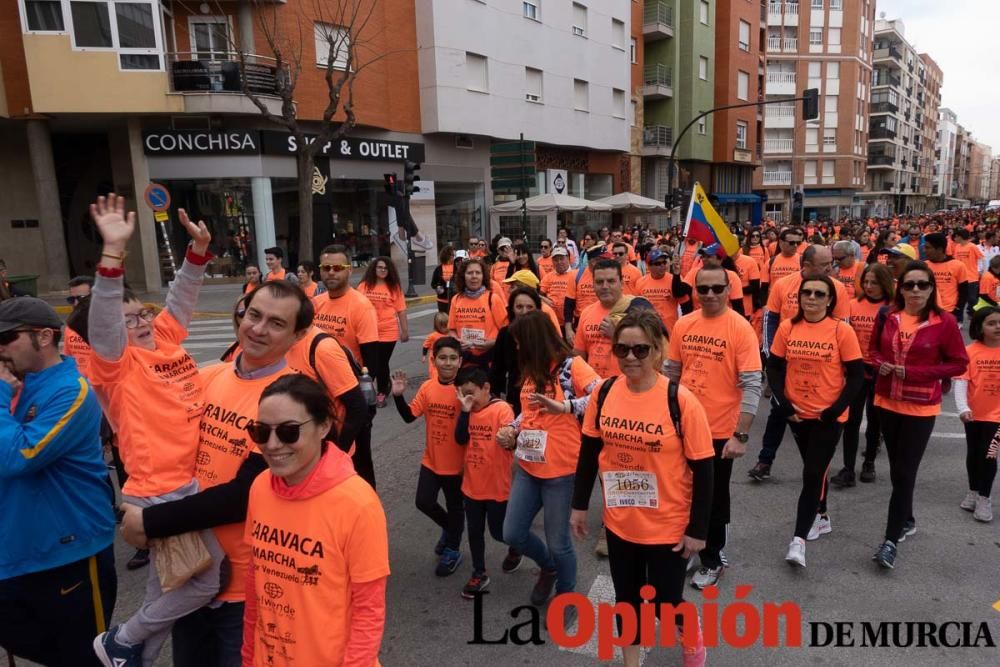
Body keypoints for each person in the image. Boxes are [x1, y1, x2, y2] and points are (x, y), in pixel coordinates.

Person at [118, 280, 313, 666]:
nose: (257, 329)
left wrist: (152, 520)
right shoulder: (209, 378)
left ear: (298, 335)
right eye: (253, 315)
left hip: (246, 588)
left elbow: (244, 494)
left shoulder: (291, 398)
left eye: (276, 323)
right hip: (189, 572)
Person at [85, 195, 225, 667]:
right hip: (161, 491)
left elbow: (181, 298)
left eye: (140, 314)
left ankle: (131, 656)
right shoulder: (115, 363)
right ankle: (122, 639)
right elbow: (103, 319)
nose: (140, 323)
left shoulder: (163, 337)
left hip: (189, 484)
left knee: (168, 586)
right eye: (129, 321)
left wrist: (197, 253)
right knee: (205, 582)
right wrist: (112, 255)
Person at [571, 310, 714, 667]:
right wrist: (577, 506)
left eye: (640, 350)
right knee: (627, 602)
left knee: (666, 604)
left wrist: (698, 530)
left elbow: (705, 471)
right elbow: (589, 453)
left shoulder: (680, 401)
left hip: (668, 525)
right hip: (621, 522)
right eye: (622, 350)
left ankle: (689, 631)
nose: (630, 358)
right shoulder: (604, 393)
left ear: (658, 352)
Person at [0, 297, 117, 667]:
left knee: (83, 655)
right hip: (17, 549)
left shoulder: (71, 390)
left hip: (71, 552)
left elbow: (19, 456)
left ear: (44, 336)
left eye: (5, 338)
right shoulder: (17, 383)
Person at [242, 374, 389, 665]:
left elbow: (368, 610)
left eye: (289, 431)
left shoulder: (358, 503)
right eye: (261, 432)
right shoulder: (260, 486)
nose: (271, 445)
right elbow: (254, 582)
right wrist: (247, 657)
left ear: (323, 426)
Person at [666, 266, 762, 589]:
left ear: (728, 289)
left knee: (715, 495)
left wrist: (741, 434)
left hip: (720, 431)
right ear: (694, 291)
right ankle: (693, 544)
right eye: (702, 289)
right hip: (683, 426)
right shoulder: (684, 324)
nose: (709, 295)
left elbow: (751, 384)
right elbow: (671, 373)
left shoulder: (741, 328)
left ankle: (713, 558)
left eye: (716, 289)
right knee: (684, 491)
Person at [869, 261, 969, 569]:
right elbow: (872, 351)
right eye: (909, 284)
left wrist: (912, 372)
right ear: (900, 288)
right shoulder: (887, 315)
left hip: (921, 406)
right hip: (887, 402)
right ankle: (908, 517)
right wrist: (880, 364)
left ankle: (889, 541)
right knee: (899, 469)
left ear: (931, 289)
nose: (915, 290)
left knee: (903, 473)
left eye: (922, 285)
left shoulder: (945, 322)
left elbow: (958, 364)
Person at [498, 311, 599, 611]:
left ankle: (567, 595)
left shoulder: (571, 365)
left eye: (520, 342)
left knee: (560, 543)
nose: (517, 348)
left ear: (533, 340)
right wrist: (513, 427)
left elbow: (602, 394)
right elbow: (528, 409)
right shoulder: (532, 368)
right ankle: (548, 568)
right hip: (529, 468)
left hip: (562, 472)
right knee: (512, 532)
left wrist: (567, 406)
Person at [767, 275, 864, 568]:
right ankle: (822, 516)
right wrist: (784, 406)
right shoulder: (788, 327)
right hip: (797, 414)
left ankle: (798, 541)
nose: (811, 298)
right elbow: (773, 366)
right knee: (816, 470)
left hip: (827, 418)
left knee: (811, 474)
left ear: (830, 300)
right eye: (806, 292)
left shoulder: (840, 331)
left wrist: (835, 410)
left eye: (819, 294)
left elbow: (857, 375)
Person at [749, 244, 850, 482]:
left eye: (831, 264)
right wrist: (772, 354)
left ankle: (817, 468)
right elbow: (771, 319)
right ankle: (765, 459)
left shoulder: (837, 289)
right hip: (786, 358)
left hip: (821, 362)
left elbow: (844, 326)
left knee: (818, 418)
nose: (831, 269)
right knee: (779, 409)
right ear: (807, 266)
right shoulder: (784, 285)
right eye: (825, 265)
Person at [392, 337, 466, 576]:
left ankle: (453, 549)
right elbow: (409, 417)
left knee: (456, 508)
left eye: (453, 358)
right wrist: (397, 395)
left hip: (457, 466)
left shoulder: (465, 390)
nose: (448, 363)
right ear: (434, 360)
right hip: (431, 461)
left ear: (460, 361)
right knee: (423, 502)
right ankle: (450, 529)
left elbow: (470, 431)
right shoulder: (427, 387)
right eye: (443, 358)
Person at [453, 366, 522, 598]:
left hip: (496, 486)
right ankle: (479, 572)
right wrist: (464, 411)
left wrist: (509, 439)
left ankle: (516, 547)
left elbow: (510, 437)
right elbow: (460, 438)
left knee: (499, 532)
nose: (467, 398)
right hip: (471, 486)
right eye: (462, 393)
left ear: (486, 388)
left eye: (471, 393)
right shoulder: (467, 410)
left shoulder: (501, 409)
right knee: (474, 532)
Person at [831, 262, 895, 488]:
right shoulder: (851, 305)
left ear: (885, 284)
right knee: (852, 420)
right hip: (856, 370)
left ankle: (869, 462)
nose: (868, 286)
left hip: (881, 370)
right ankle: (848, 468)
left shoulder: (893, 308)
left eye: (874, 283)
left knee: (875, 420)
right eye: (865, 281)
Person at [954, 306, 1000, 523]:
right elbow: (961, 382)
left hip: (997, 416)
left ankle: (984, 496)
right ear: (979, 327)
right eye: (991, 323)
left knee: (989, 454)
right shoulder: (970, 351)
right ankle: (973, 491)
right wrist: (963, 408)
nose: (997, 327)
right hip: (973, 414)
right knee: (973, 453)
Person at [359, 257, 409, 407]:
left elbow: (401, 311)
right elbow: (356, 307)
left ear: (390, 271)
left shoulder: (394, 288)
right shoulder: (364, 286)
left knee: (382, 363)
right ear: (374, 269)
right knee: (369, 363)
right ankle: (370, 388)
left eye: (385, 268)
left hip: (388, 331)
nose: (382, 270)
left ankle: (381, 392)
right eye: (379, 267)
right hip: (368, 331)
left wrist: (404, 331)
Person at [448, 257, 508, 369]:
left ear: (483, 276)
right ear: (463, 276)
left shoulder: (493, 299)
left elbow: (506, 332)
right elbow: (451, 330)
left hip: (490, 357)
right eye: (470, 273)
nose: (474, 276)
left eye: (478, 273)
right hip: (465, 359)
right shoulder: (456, 299)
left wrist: (490, 343)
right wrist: (457, 341)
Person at [490, 287, 542, 415]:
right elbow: (497, 371)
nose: (524, 312)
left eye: (529, 307)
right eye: (519, 307)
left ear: (537, 308)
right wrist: (497, 401)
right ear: (512, 309)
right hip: (515, 397)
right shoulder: (505, 334)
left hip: (543, 396)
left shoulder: (544, 333)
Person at [574, 259, 624, 380]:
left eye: (611, 281)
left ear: (621, 283)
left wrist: (616, 335)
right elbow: (578, 356)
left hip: (625, 387)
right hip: (593, 389)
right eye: (599, 282)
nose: (605, 286)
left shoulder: (635, 310)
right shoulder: (587, 313)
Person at [923, 232, 971, 322]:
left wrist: (958, 309)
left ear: (940, 249)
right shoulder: (924, 265)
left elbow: (964, 291)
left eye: (928, 248)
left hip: (949, 312)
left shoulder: (958, 265)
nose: (924, 251)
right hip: (927, 312)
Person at [635, 247, 681, 334]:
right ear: (649, 266)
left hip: (670, 331)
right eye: (658, 263)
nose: (662, 266)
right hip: (648, 329)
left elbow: (684, 305)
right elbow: (638, 308)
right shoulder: (640, 282)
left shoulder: (674, 280)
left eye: (664, 262)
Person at [539, 246, 576, 339]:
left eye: (561, 259)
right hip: (553, 322)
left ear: (568, 258)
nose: (559, 262)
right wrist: (544, 299)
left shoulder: (576, 275)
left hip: (571, 323)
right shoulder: (548, 276)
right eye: (556, 260)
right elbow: (537, 294)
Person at [951, 229, 983, 320]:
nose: (955, 238)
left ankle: (975, 315)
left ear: (960, 236)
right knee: (961, 298)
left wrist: (980, 271)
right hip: (960, 278)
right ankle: (959, 317)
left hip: (972, 277)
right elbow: (956, 261)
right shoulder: (957, 247)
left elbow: (981, 258)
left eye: (956, 236)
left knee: (972, 299)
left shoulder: (972, 246)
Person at [423, 311, 451, 380]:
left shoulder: (450, 334)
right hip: (434, 357)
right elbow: (425, 345)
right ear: (437, 326)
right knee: (434, 371)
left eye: (447, 325)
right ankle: (434, 380)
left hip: (446, 355)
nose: (446, 328)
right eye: (443, 327)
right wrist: (424, 355)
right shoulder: (432, 336)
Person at [432, 245, 457, 313]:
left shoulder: (457, 267)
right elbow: (433, 283)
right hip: (442, 300)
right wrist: (438, 287)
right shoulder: (438, 269)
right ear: (446, 255)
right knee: (444, 321)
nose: (454, 257)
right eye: (452, 255)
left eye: (454, 255)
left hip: (455, 300)